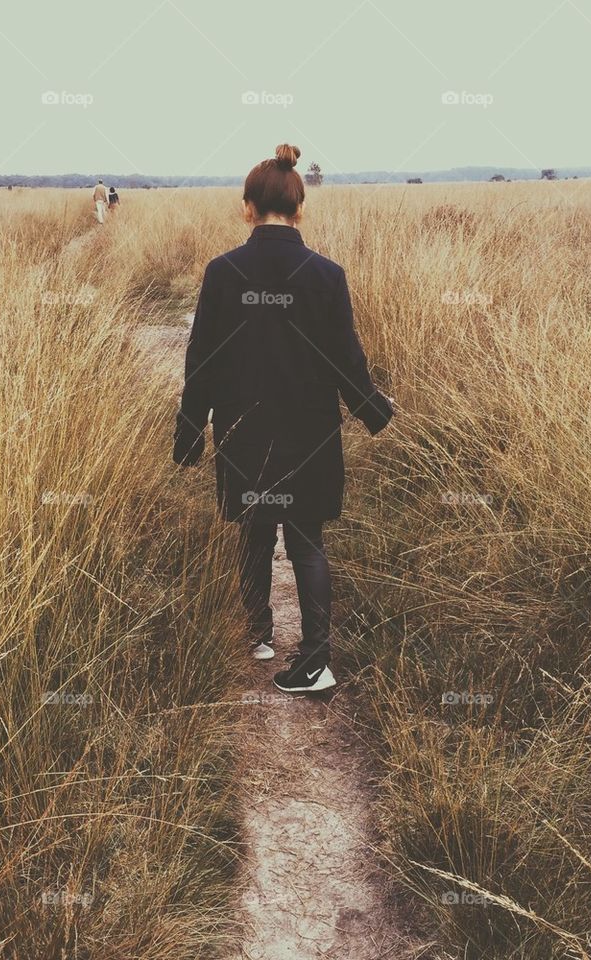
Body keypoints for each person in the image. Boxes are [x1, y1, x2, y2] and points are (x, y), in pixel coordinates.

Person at [173, 143, 393, 693]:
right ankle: (315, 659)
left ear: (247, 208)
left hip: (244, 431)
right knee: (305, 539)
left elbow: (202, 360)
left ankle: (258, 635)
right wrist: (374, 410)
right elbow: (346, 360)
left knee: (253, 528)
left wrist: (190, 429)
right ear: (300, 209)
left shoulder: (222, 272)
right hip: (309, 433)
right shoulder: (327, 275)